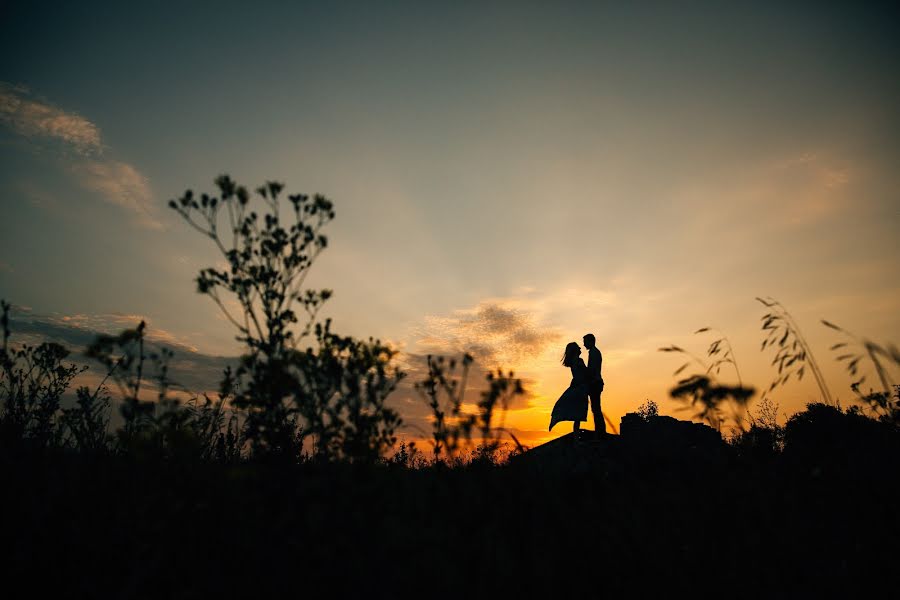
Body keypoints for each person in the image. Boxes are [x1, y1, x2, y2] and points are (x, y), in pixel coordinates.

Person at [549, 342, 589, 438]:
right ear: (575, 350)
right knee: (578, 414)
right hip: (580, 388)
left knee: (577, 414)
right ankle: (576, 438)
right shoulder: (578, 361)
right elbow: (584, 374)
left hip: (577, 387)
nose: (580, 348)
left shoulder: (573, 362)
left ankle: (575, 437)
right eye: (578, 348)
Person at [583, 333, 606, 437]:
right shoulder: (594, 352)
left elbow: (592, 369)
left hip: (595, 383)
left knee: (596, 408)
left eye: (585, 342)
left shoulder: (594, 353)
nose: (584, 345)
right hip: (596, 382)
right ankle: (600, 430)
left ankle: (600, 431)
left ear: (590, 341)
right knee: (596, 408)